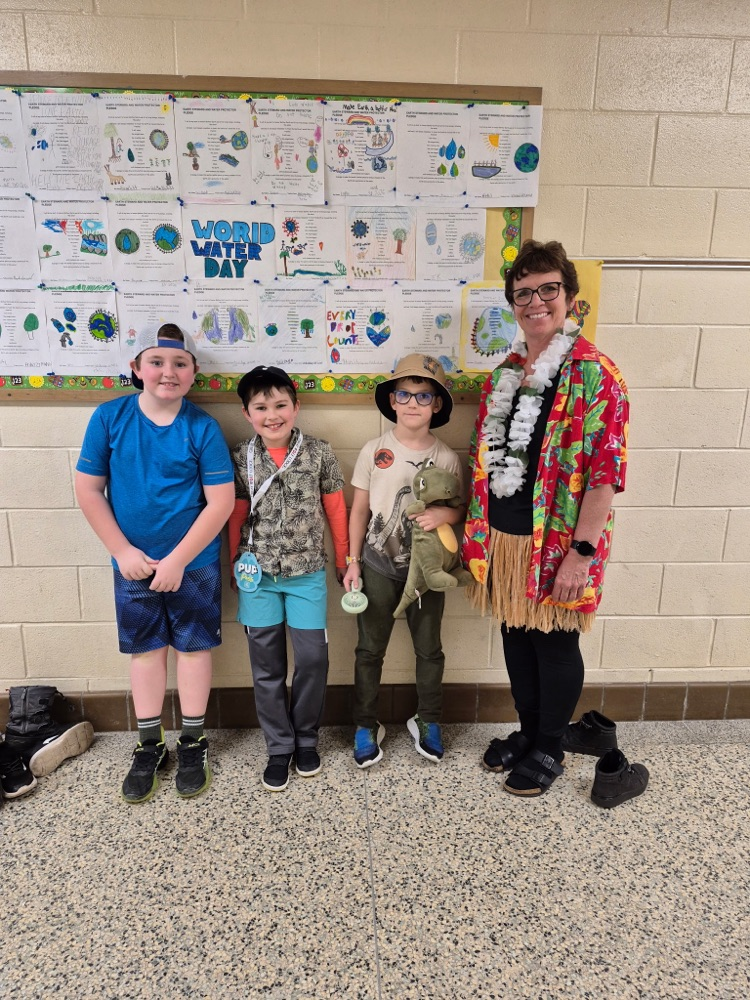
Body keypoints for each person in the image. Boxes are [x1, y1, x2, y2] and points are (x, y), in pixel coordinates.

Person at [462, 240, 629, 797]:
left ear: (570, 297)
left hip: (559, 542)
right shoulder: (503, 377)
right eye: (523, 293)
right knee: (516, 636)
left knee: (555, 643)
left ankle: (551, 747)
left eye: (547, 289)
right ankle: (532, 732)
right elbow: (483, 461)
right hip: (505, 539)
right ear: (513, 303)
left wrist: (580, 554)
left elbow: (605, 476)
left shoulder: (595, 375)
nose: (536, 301)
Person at [75, 324, 235, 803]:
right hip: (133, 565)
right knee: (145, 651)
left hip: (195, 563)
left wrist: (179, 560)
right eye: (157, 362)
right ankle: (149, 744)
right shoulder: (109, 418)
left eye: (180, 363)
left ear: (193, 373)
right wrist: (122, 551)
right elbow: (88, 490)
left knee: (193, 648)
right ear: (136, 369)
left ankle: (192, 740)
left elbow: (220, 503)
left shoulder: (202, 427)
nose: (169, 372)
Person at [228, 366, 348, 792]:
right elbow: (236, 513)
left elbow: (336, 509)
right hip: (256, 576)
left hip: (307, 574)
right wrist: (231, 562)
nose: (272, 415)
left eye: (280, 405)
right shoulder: (240, 455)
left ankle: (306, 738)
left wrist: (343, 559)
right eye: (261, 407)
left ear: (296, 407)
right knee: (267, 665)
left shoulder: (319, 452)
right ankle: (279, 746)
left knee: (313, 657)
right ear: (247, 412)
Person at [343, 354, 465, 768]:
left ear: (437, 404)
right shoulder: (374, 450)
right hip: (377, 565)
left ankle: (427, 719)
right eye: (404, 394)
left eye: (423, 395)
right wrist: (352, 560)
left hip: (427, 573)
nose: (413, 402)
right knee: (368, 649)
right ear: (392, 400)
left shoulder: (447, 457)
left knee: (429, 648)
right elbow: (358, 510)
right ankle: (365, 723)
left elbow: (460, 510)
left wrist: (443, 515)